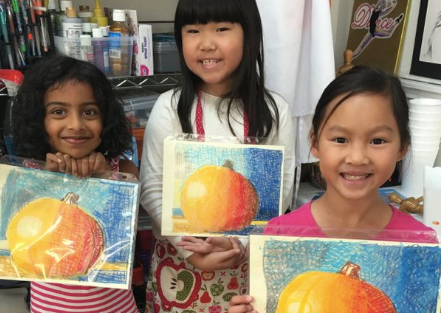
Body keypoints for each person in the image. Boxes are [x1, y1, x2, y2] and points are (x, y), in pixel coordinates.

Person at [227, 66, 438, 313]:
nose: (357, 158)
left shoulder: (421, 245)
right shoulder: (280, 236)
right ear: (315, 143)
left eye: (377, 141)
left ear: (402, 148)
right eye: (340, 140)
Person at [139, 0, 295, 311]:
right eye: (193, 30)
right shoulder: (170, 107)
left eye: (222, 29)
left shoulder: (274, 111)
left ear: (249, 35)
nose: (207, 43)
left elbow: (282, 193)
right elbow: (152, 187)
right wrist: (190, 251)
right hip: (178, 267)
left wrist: (242, 246)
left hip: (247, 267)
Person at [10, 55, 139, 313]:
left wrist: (105, 179)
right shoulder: (27, 174)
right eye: (58, 112)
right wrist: (45, 180)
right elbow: (15, 240)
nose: (76, 125)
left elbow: (128, 239)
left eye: (89, 112)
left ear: (106, 119)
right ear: (38, 120)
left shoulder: (121, 170)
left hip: (117, 308)